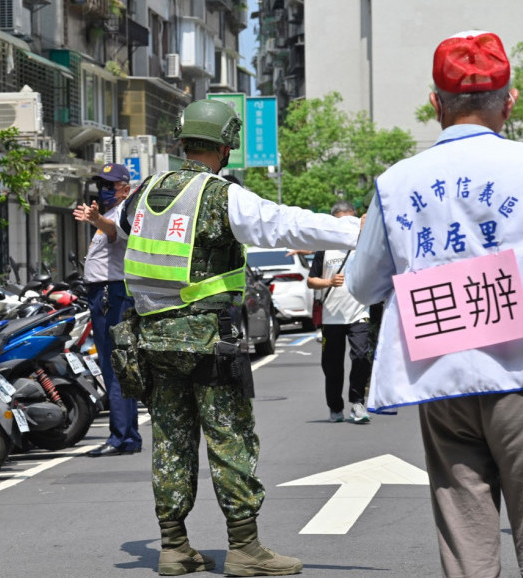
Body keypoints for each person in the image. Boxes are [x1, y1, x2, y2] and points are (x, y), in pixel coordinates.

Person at [111, 99, 359, 576]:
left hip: (151, 343)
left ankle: (173, 547)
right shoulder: (222, 195)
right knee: (229, 439)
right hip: (208, 342)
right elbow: (285, 223)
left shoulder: (143, 193)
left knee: (170, 441)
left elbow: (121, 227)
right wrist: (354, 229)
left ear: (182, 143)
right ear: (225, 149)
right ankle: (245, 550)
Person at [346, 30, 523, 577]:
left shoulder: (396, 182)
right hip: (522, 374)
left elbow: (361, 284)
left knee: (465, 535)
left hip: (443, 377)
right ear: (510, 99)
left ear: (435, 104)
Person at [72, 163, 142, 457]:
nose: (103, 189)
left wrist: (97, 218)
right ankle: (127, 436)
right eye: (101, 183)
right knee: (116, 365)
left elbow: (114, 232)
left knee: (115, 366)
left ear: (125, 188)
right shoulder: (112, 211)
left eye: (110, 184)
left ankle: (120, 437)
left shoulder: (124, 212)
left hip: (111, 293)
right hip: (104, 292)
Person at [306, 200, 371, 424]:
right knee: (332, 366)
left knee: (362, 356)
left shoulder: (363, 244)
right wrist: (329, 281)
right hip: (332, 315)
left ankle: (357, 402)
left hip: (359, 311)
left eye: (352, 221)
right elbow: (311, 281)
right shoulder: (325, 247)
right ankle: (335, 406)